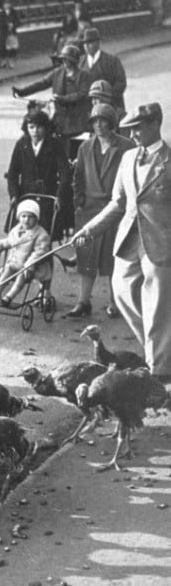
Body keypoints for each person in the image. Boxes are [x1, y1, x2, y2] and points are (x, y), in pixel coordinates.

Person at [73, 103, 171, 382]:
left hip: (163, 244)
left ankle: (159, 370)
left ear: (155, 124)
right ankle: (161, 350)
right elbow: (118, 203)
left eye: (138, 128)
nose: (133, 134)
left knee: (158, 307)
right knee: (123, 292)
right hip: (129, 240)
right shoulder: (128, 158)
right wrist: (89, 229)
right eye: (130, 129)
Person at [67, 103, 135, 318]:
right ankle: (83, 301)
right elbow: (77, 177)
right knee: (87, 258)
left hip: (114, 210)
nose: (99, 125)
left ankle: (115, 302)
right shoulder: (85, 147)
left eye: (103, 120)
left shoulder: (126, 146)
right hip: (88, 210)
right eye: (95, 121)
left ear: (111, 123)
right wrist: (79, 201)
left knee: (112, 258)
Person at [12, 44, 91, 159]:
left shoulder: (84, 76)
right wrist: (22, 92)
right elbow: (41, 84)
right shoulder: (57, 73)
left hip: (76, 121)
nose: (65, 62)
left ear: (74, 61)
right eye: (63, 59)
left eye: (68, 59)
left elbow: (82, 95)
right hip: (59, 120)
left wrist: (63, 99)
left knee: (70, 148)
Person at [5, 109, 72, 240]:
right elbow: (12, 172)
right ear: (26, 128)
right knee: (21, 233)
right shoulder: (21, 144)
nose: (35, 131)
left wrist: (59, 195)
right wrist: (13, 194)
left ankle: (45, 258)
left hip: (48, 196)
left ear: (46, 128)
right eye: (31, 127)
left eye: (39, 127)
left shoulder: (54, 145)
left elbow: (65, 172)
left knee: (46, 234)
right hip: (26, 195)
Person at [0, 199, 52, 307]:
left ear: (37, 218)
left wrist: (28, 265)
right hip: (15, 263)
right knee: (7, 269)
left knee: (21, 275)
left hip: (32, 267)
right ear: (19, 217)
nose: (26, 220)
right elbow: (9, 241)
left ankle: (9, 296)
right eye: (23, 216)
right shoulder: (16, 230)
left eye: (31, 217)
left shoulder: (41, 234)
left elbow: (39, 253)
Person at [80, 28, 126, 111]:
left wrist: (107, 96)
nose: (86, 46)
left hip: (110, 107)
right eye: (84, 43)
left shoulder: (112, 61)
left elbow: (121, 82)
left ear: (98, 43)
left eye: (90, 42)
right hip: (88, 108)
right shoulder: (80, 62)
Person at [0, 0, 20, 69]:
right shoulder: (1, 13)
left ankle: (11, 62)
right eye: (5, 4)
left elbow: (18, 22)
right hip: (4, 33)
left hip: (11, 33)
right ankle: (3, 61)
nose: (6, 5)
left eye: (7, 3)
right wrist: (6, 25)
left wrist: (13, 24)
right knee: (3, 47)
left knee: (12, 48)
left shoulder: (13, 12)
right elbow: (0, 23)